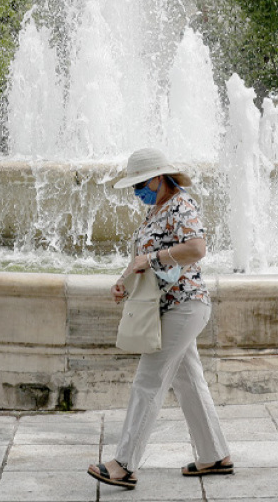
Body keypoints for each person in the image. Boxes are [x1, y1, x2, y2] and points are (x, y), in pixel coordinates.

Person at [87, 148, 232, 491]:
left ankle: (124, 464)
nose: (137, 191)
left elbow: (197, 249)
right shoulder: (158, 209)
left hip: (185, 304)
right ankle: (214, 456)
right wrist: (123, 281)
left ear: (159, 177)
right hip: (170, 306)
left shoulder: (182, 205)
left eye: (141, 184)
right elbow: (142, 259)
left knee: (148, 380)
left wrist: (154, 256)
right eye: (135, 186)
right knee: (188, 382)